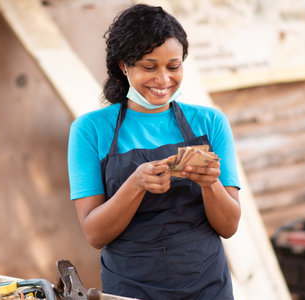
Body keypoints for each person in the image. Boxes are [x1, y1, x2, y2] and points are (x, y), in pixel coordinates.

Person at [67, 4, 241, 300]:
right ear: (124, 65)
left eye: (173, 67)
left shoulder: (211, 123)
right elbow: (95, 235)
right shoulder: (90, 130)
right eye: (150, 67)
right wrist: (135, 185)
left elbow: (229, 226)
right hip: (130, 286)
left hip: (206, 284)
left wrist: (210, 183)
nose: (163, 80)